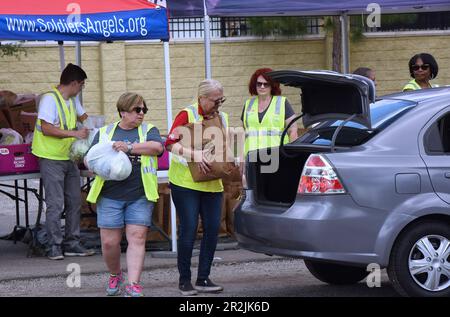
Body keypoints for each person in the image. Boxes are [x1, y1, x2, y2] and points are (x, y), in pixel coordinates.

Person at [86, 93, 164, 297]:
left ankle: (134, 283)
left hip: (140, 195)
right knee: (109, 243)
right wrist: (95, 166)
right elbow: (90, 159)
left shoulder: (149, 131)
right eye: (137, 109)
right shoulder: (104, 132)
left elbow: (157, 148)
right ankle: (115, 274)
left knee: (137, 238)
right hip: (110, 195)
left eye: (144, 110)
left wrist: (129, 147)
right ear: (123, 111)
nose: (141, 114)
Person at [165, 79, 227, 296]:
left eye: (221, 100)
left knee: (212, 229)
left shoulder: (222, 117)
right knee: (189, 229)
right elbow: (170, 144)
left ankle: (203, 278)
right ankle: (184, 280)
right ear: (202, 98)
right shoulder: (186, 114)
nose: (219, 105)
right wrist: (195, 155)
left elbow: (225, 145)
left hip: (212, 182)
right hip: (185, 183)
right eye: (215, 101)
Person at [32, 63, 95, 260]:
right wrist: (75, 133)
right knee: (55, 203)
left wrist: (93, 126)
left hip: (69, 157)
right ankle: (54, 245)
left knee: (74, 202)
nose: (81, 89)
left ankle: (72, 243)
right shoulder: (50, 100)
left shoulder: (72, 99)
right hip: (51, 158)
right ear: (74, 83)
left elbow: (84, 117)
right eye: (82, 85)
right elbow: (47, 128)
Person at [241, 68, 298, 156]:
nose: (262, 87)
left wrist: (292, 154)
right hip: (251, 156)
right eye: (259, 84)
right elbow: (243, 132)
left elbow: (293, 130)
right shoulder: (248, 104)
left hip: (277, 156)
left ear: (272, 85)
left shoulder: (282, 102)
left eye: (266, 84)